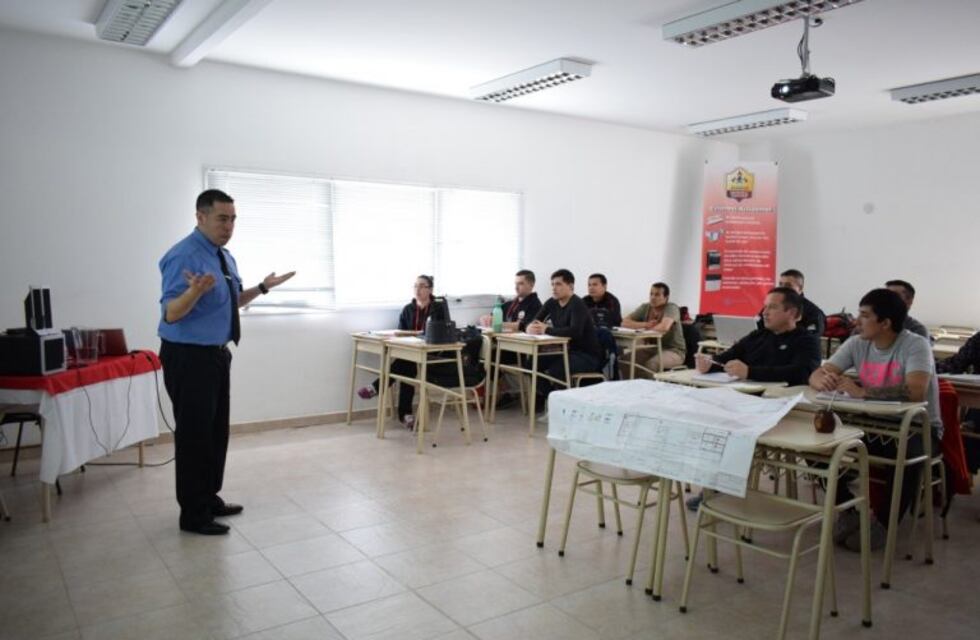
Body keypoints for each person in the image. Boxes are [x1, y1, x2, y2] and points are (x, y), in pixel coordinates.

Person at [159, 189, 295, 535]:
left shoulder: (223, 257)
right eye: (222, 218)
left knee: (215, 433)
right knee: (193, 437)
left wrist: (263, 288)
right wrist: (193, 292)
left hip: (217, 355)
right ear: (200, 217)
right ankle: (193, 514)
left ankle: (208, 497)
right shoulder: (183, 256)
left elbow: (230, 301)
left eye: (233, 219)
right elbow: (171, 313)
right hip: (189, 357)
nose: (229, 225)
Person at [809, 288, 942, 552]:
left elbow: (915, 391)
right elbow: (817, 373)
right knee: (818, 446)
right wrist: (820, 379)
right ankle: (849, 511)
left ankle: (882, 523)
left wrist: (864, 392)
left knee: (905, 457)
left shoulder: (915, 345)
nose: (857, 321)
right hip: (871, 425)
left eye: (864, 315)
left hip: (918, 428)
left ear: (885, 323)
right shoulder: (858, 342)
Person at [695, 287, 820, 386]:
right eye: (765, 306)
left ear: (791, 313)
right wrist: (710, 363)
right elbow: (727, 358)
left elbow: (801, 373)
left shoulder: (807, 340)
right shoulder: (757, 335)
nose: (764, 313)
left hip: (783, 400)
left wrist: (749, 372)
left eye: (772, 307)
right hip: (746, 395)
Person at [358, 275, 435, 429]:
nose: (417, 289)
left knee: (405, 365)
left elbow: (440, 332)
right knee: (407, 365)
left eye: (422, 286)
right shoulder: (408, 309)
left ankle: (376, 388)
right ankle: (405, 415)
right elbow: (401, 333)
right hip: (410, 353)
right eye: (415, 286)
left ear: (430, 289)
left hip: (431, 355)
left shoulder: (438, 308)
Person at [526, 269, 603, 404]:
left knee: (558, 368)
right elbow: (535, 320)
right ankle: (551, 399)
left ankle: (564, 404)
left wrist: (546, 329)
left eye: (558, 284)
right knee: (530, 364)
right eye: (552, 285)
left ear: (571, 286)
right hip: (565, 351)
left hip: (586, 355)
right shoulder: (552, 302)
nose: (554, 288)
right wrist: (529, 328)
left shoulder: (577, 304)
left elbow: (575, 332)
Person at [621, 282, 686, 374]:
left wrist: (642, 329)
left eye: (657, 294)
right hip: (653, 348)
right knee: (625, 360)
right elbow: (624, 322)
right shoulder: (645, 307)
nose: (653, 297)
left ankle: (647, 387)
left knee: (652, 364)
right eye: (651, 294)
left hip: (673, 351)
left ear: (666, 297)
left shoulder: (671, 308)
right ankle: (632, 385)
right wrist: (645, 325)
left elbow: (664, 327)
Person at [756, 269, 825, 336]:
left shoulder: (814, 313)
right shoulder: (770, 307)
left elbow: (811, 338)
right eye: (780, 284)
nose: (782, 288)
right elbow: (759, 329)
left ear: (800, 289)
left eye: (788, 285)